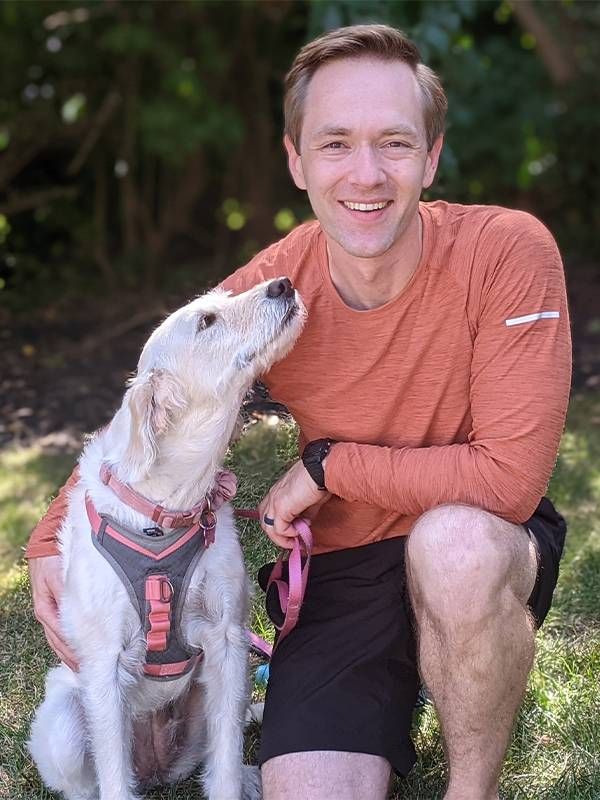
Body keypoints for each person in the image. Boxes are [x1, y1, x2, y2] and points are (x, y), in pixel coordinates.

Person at [27, 24, 571, 800]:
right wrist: (52, 536)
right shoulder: (279, 288)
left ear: (432, 154)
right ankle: (406, 676)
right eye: (336, 143)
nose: (367, 173)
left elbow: (511, 483)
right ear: (295, 160)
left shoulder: (508, 252)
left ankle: (471, 785)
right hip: (346, 564)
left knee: (454, 550)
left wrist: (328, 467)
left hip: (474, 529)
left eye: (394, 142)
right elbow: (170, 368)